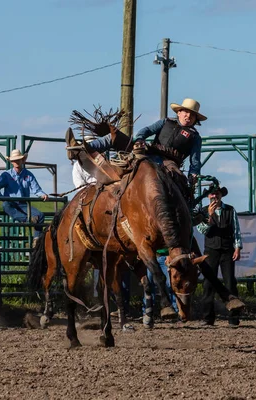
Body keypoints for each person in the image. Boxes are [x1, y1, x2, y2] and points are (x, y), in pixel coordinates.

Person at [77, 98, 205, 182]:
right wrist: (139, 140)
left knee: (176, 183)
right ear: (179, 112)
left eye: (192, 114)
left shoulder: (195, 137)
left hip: (169, 163)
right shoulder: (166, 122)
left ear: (195, 119)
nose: (188, 116)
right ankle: (85, 149)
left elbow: (195, 161)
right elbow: (145, 130)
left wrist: (193, 175)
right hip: (147, 151)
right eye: (186, 112)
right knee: (114, 136)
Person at [196, 186, 242, 327]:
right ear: (208, 196)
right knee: (208, 284)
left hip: (227, 250)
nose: (214, 196)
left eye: (216, 193)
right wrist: (209, 216)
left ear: (221, 195)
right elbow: (201, 230)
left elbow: (236, 229)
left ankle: (233, 318)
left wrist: (237, 247)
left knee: (230, 282)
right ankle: (207, 318)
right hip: (211, 251)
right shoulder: (203, 211)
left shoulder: (230, 209)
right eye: (212, 194)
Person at [0, 150, 48, 246]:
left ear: (23, 160)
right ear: (11, 162)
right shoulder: (6, 175)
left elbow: (36, 189)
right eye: (14, 160)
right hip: (11, 203)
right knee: (6, 205)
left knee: (40, 215)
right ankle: (28, 220)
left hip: (24, 203)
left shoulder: (28, 175)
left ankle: (37, 239)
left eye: (18, 160)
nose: (16, 162)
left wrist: (42, 194)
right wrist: (2, 197)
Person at [142, 248, 178, 327]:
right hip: (151, 257)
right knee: (149, 285)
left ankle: (174, 311)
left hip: (165, 257)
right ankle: (147, 312)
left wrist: (170, 255)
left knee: (170, 284)